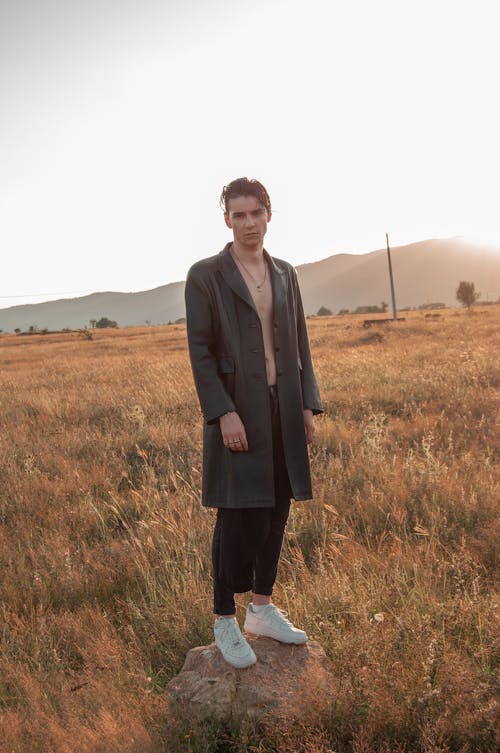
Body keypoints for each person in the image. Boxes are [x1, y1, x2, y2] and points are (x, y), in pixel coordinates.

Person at [185, 177, 323, 668]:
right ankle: (224, 618)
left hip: (283, 405)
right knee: (239, 511)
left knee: (279, 504)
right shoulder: (206, 275)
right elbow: (200, 353)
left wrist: (307, 403)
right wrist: (223, 411)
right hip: (237, 408)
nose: (248, 223)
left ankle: (261, 609)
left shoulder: (285, 273)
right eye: (237, 215)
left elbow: (301, 342)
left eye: (255, 213)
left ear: (269, 215)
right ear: (226, 220)